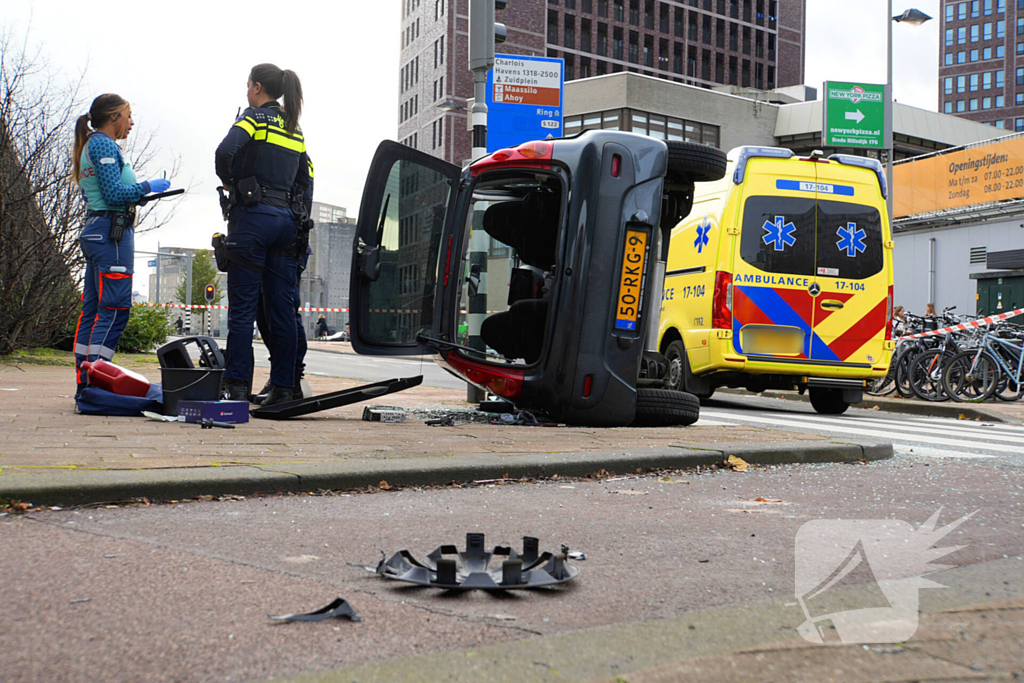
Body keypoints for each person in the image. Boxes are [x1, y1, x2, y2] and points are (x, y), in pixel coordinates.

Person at [215, 64, 312, 406]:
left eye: (248, 86)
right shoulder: (293, 126)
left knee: (242, 310)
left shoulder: (253, 118)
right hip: (286, 223)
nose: (247, 92)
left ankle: (236, 386)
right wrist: (299, 214)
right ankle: (285, 388)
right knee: (282, 311)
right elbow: (307, 174)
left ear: (257, 87)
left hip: (252, 220)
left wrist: (233, 184)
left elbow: (224, 152)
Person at [72, 94, 171, 396]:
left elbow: (111, 191)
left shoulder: (94, 144)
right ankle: (100, 383)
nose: (131, 123)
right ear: (113, 116)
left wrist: (139, 194)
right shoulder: (102, 143)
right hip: (111, 234)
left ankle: (86, 381)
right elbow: (114, 194)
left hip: (97, 231)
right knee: (114, 309)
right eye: (128, 116)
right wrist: (146, 187)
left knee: (93, 309)